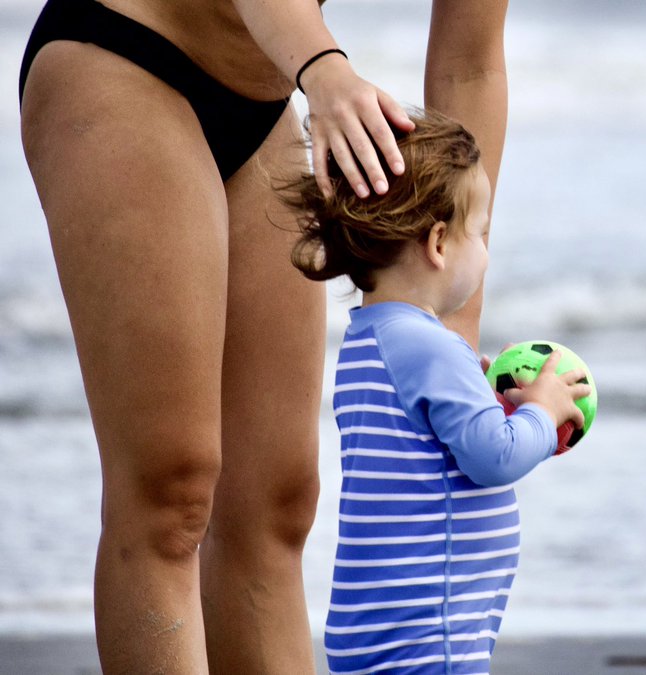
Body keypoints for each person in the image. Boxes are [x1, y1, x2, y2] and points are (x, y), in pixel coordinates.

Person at [18, 0, 508, 671]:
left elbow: (469, 65)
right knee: (172, 491)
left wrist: (451, 331)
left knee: (276, 503)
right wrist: (325, 72)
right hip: (124, 52)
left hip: (263, 93)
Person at [284, 108, 590, 674]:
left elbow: (424, 448)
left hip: (376, 628)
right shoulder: (431, 347)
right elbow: (493, 457)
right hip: (431, 631)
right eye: (481, 231)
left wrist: (479, 399)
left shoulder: (370, 339)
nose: (485, 249)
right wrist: (543, 416)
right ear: (440, 242)